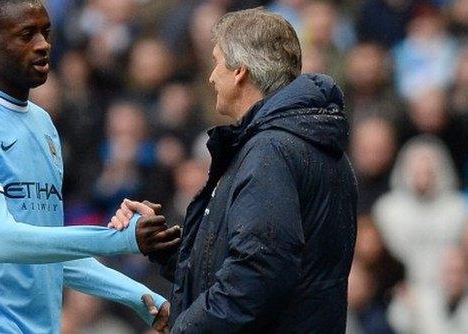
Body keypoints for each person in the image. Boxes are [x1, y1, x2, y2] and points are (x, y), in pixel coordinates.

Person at [0, 0, 180, 333]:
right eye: (27, 34)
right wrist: (118, 241)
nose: (44, 45)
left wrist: (141, 296)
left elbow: (46, 250)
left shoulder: (43, 125)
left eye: (46, 32)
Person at [111, 8, 357, 333]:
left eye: (217, 61)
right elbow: (252, 260)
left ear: (240, 71)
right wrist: (165, 245)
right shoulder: (307, 143)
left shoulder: (271, 150)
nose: (212, 76)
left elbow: (257, 274)